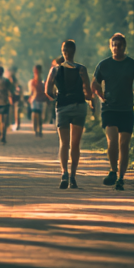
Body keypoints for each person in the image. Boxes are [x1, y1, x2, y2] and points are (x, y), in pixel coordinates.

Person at [91, 33, 134, 191]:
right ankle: (113, 171)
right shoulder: (104, 65)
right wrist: (100, 95)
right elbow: (94, 83)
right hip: (109, 109)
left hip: (126, 109)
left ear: (124, 47)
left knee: (124, 144)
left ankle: (121, 178)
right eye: (114, 45)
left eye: (119, 45)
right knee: (112, 140)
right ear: (111, 47)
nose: (116, 48)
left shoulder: (132, 65)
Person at [46, 40, 92, 188]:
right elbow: (88, 93)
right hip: (79, 107)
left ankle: (64, 173)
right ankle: (73, 176)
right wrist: (87, 97)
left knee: (64, 143)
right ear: (74, 51)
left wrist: (56, 96)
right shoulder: (81, 69)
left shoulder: (55, 70)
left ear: (63, 51)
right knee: (75, 144)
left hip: (62, 107)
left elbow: (48, 91)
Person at [28, 64, 48, 137]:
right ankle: (36, 129)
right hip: (35, 100)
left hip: (41, 100)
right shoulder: (33, 81)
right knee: (35, 115)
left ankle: (39, 129)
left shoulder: (42, 82)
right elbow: (31, 91)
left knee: (39, 116)